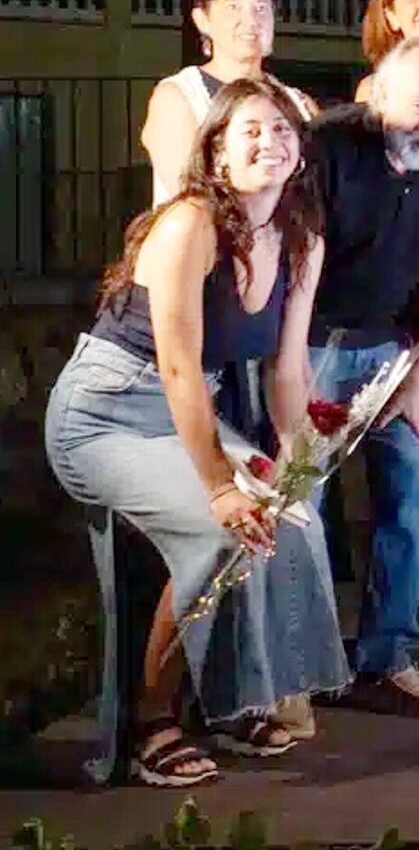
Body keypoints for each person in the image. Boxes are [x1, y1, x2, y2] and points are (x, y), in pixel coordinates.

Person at [44, 80, 348, 786]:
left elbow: (287, 370)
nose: (268, 141)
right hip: (108, 414)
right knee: (224, 532)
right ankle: (154, 721)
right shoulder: (189, 225)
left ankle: (236, 697)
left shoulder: (302, 240)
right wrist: (219, 486)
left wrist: (299, 463)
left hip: (189, 411)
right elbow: (178, 364)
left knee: (292, 521)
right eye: (249, 130)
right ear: (215, 153)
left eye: (281, 129)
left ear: (299, 150)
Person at [306, 36, 419, 716]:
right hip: (312, 339)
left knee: (413, 496)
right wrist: (292, 380)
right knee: (301, 508)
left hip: (394, 345)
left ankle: (387, 656)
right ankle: (306, 665)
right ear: (378, 95)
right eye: (418, 106)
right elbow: (298, 274)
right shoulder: (327, 146)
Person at [141, 0, 318, 203]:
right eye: (233, 7)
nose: (250, 20)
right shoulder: (179, 96)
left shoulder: (299, 104)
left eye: (261, 8)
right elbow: (189, 196)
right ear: (202, 20)